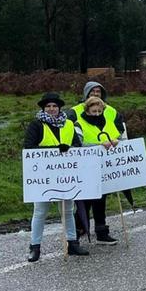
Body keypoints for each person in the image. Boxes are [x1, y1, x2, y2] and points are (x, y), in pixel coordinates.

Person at [25, 92, 89, 262]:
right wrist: (54, 151)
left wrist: (69, 149)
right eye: (48, 106)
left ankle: (72, 243)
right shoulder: (36, 125)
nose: (52, 109)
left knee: (68, 211)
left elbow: (77, 145)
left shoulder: (69, 124)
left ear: (59, 108)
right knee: (40, 212)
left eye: (55, 106)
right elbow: (29, 148)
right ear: (43, 108)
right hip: (43, 176)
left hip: (65, 174)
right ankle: (35, 246)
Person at [69, 83, 127, 245]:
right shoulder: (78, 120)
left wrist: (116, 142)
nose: (96, 114)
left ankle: (101, 232)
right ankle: (77, 231)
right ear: (87, 110)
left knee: (101, 199)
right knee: (85, 200)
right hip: (85, 166)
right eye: (93, 111)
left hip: (104, 166)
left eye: (99, 112)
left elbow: (119, 135)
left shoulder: (108, 117)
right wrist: (99, 146)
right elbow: (77, 143)